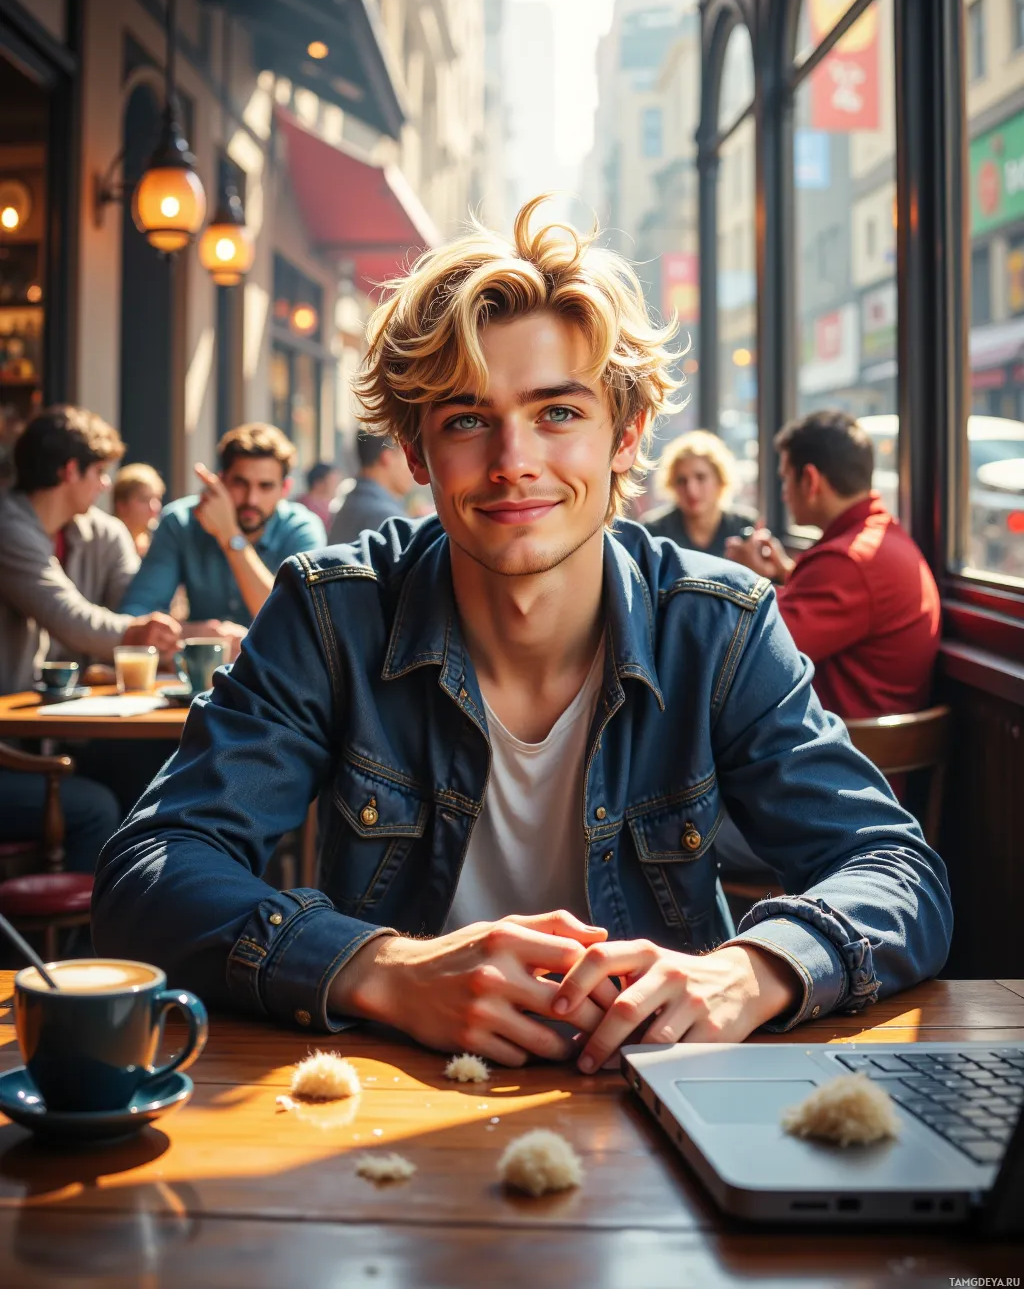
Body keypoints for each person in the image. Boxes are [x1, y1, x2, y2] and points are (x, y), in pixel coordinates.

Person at [94, 197, 951, 1074]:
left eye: (557, 413)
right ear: (418, 454)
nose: (513, 461)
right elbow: (150, 870)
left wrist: (752, 970)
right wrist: (381, 968)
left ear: (627, 434)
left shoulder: (717, 623)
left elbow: (896, 869)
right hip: (387, 1105)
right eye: (467, 419)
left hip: (657, 1098)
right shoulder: (332, 611)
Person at [725, 410, 942, 720]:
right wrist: (782, 572)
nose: (784, 493)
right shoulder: (877, 538)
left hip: (840, 752)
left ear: (810, 480)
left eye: (786, 478)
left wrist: (745, 576)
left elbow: (765, 645)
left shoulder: (849, 562)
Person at [0, 406, 180, 694]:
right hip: (12, 719)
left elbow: (133, 605)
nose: (106, 484)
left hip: (85, 715)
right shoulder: (8, 529)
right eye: (99, 471)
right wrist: (137, 633)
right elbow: (66, 614)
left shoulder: (106, 533)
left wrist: (165, 634)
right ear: (70, 470)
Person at [120, 423, 327, 641]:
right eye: (240, 483)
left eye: (265, 486)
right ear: (221, 481)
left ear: (284, 489)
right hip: (199, 668)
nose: (251, 499)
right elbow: (136, 614)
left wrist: (230, 536)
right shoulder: (180, 522)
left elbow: (296, 624)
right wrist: (193, 634)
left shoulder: (302, 529)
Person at [642, 430, 756, 556]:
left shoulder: (745, 528)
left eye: (701, 478)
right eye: (681, 481)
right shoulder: (653, 532)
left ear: (720, 479)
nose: (691, 490)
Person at [327, 431, 414, 544]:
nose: (414, 466)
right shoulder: (386, 518)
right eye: (408, 456)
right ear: (388, 457)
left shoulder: (353, 501)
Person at [112, 462, 166, 557]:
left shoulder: (159, 548)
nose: (154, 507)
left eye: (158, 498)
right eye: (144, 499)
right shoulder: (107, 547)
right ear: (122, 504)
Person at [298, 462, 342, 532]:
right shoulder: (305, 509)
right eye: (333, 481)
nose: (336, 486)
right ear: (318, 483)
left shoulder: (331, 508)